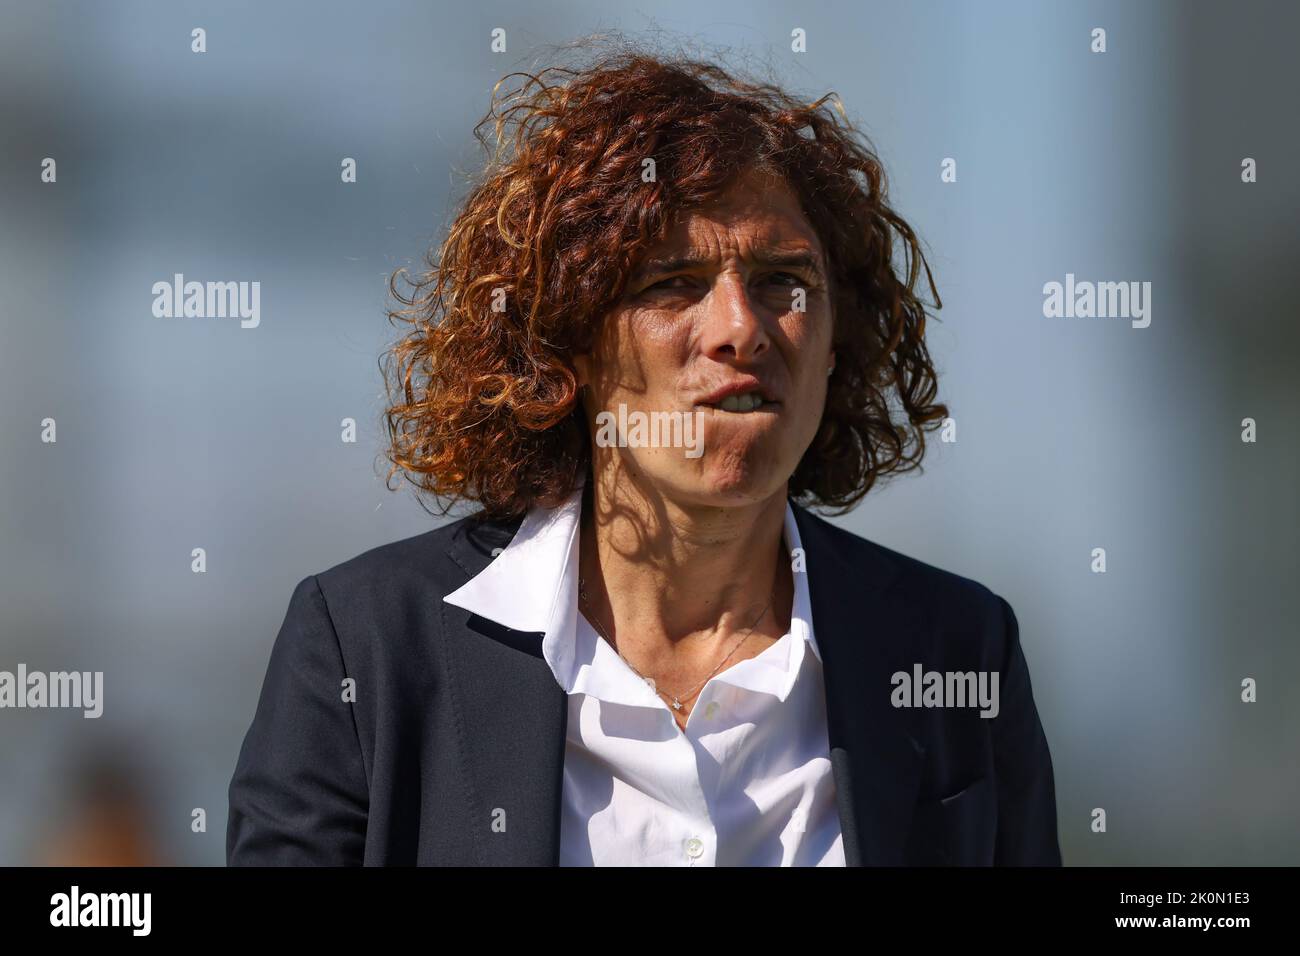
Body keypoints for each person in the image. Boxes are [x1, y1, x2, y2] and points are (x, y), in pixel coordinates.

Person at [227, 48, 1061, 866]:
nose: (740, 327)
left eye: (783, 281)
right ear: (571, 345)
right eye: (672, 283)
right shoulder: (363, 646)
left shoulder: (955, 652)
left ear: (838, 340)